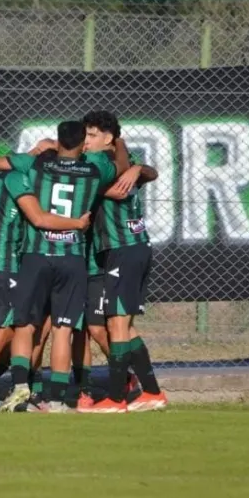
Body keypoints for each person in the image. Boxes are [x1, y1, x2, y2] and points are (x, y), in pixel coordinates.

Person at [0, 120, 126, 413]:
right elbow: (121, 165)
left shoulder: (36, 165)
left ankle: (21, 386)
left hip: (36, 254)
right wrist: (118, 142)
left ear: (58, 140)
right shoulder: (96, 168)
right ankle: (59, 399)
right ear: (83, 144)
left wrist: (41, 150)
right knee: (63, 329)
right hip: (72, 257)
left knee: (25, 324)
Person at [0, 167, 91, 411]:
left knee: (28, 326)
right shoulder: (19, 177)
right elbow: (39, 219)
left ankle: (2, 390)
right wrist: (77, 223)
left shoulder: (5, 172)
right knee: (7, 330)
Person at [80, 111, 168, 413]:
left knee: (117, 323)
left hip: (124, 248)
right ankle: (152, 393)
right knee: (124, 326)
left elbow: (143, 173)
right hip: (129, 249)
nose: (86, 141)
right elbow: (140, 171)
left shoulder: (102, 166)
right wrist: (135, 167)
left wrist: (135, 167)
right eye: (85, 135)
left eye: (92, 135)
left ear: (108, 139)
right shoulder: (113, 164)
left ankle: (116, 398)